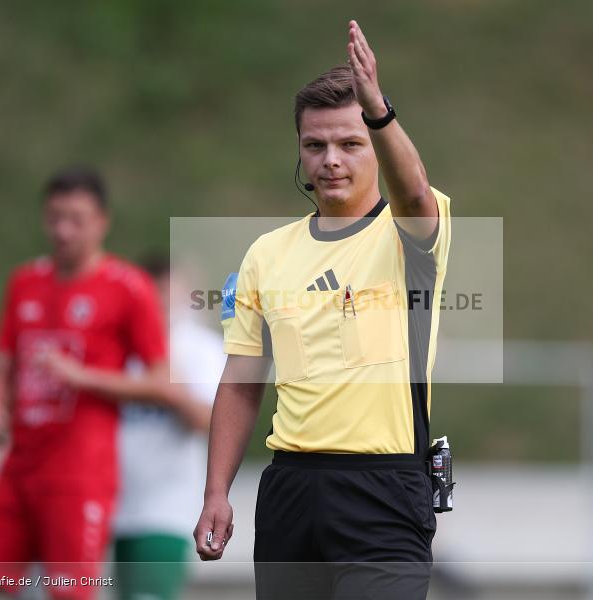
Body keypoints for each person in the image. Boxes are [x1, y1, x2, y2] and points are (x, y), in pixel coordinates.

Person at [194, 20, 452, 600]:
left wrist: (377, 109)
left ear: (376, 147)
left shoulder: (409, 232)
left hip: (384, 492)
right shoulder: (267, 253)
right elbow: (240, 382)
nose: (331, 160)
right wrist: (216, 491)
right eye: (315, 145)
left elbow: (414, 191)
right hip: (290, 490)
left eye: (350, 143)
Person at [0, 167, 173, 600]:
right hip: (18, 469)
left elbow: (161, 382)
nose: (63, 230)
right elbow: (4, 366)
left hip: (80, 475)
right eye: (54, 218)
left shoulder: (128, 287)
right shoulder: (24, 282)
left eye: (76, 219)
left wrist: (82, 376)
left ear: (102, 221)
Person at [111, 256, 223, 600]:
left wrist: (167, 384)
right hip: (113, 507)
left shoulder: (199, 348)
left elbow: (207, 421)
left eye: (168, 294)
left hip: (165, 510)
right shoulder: (120, 345)